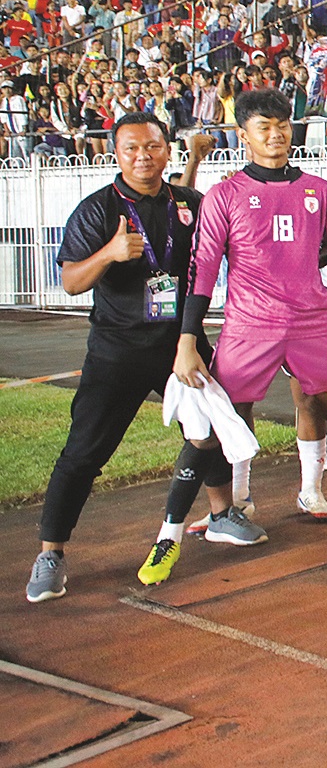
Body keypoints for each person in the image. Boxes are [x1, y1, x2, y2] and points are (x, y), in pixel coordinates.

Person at [173, 90, 327, 562]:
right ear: (243, 135)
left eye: (282, 125)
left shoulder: (320, 191)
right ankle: (235, 504)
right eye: (264, 127)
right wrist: (187, 340)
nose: (276, 134)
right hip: (248, 327)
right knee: (229, 415)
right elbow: (202, 270)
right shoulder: (224, 196)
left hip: (312, 324)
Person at [26, 117, 215, 601]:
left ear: (167, 151)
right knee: (84, 451)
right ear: (116, 153)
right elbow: (71, 282)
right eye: (131, 148)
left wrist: (196, 163)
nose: (142, 155)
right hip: (118, 348)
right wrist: (108, 253)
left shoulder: (186, 201)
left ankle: (224, 513)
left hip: (180, 342)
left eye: (152, 146)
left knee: (213, 428)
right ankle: (51, 554)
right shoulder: (98, 209)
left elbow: (193, 230)